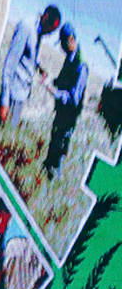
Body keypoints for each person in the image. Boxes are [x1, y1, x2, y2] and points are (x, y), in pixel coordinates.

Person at [0, 4, 61, 124]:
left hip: (22, 93)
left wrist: (39, 68)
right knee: (2, 129)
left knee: (11, 130)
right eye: (50, 29)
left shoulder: (39, 33)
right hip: (12, 93)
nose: (49, 34)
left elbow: (30, 55)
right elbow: (10, 63)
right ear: (45, 17)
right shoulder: (26, 27)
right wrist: (4, 102)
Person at [43, 22, 88, 179]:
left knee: (61, 143)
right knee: (55, 138)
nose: (61, 48)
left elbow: (74, 98)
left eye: (62, 43)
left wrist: (55, 92)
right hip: (62, 111)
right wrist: (51, 80)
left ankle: (55, 176)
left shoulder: (81, 66)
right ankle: (48, 167)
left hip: (69, 116)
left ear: (71, 40)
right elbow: (63, 81)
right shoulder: (70, 59)